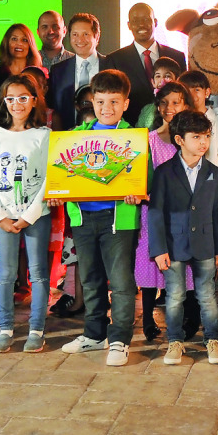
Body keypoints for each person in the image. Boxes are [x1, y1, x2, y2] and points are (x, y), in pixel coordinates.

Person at [59, 69, 144, 367]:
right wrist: (57, 192)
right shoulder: (76, 136)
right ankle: (94, 334)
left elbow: (144, 179)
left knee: (120, 281)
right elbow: (62, 174)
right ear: (92, 102)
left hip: (118, 219)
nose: (106, 108)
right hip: (83, 218)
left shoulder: (134, 138)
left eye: (114, 102)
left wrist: (139, 193)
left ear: (126, 104)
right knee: (90, 279)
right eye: (100, 102)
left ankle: (119, 339)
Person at [150, 110, 218, 365]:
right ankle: (175, 341)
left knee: (207, 296)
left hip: (205, 245)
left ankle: (213, 340)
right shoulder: (164, 172)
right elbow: (156, 212)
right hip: (173, 245)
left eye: (206, 136)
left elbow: (217, 213)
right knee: (174, 297)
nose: (203, 142)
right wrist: (158, 249)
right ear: (179, 140)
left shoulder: (213, 172)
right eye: (196, 137)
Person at [0, 75, 52, 354]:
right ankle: (5, 329)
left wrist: (30, 215)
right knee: (5, 274)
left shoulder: (44, 135)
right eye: (10, 99)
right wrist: (0, 216)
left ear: (34, 100)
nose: (17, 104)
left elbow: (48, 178)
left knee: (38, 272)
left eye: (23, 98)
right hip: (4, 217)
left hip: (36, 215)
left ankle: (36, 329)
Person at [136, 83, 199, 343]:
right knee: (150, 262)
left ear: (186, 105)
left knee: (186, 263)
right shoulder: (148, 140)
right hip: (153, 211)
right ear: (157, 106)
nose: (169, 108)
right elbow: (140, 176)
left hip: (184, 214)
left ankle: (190, 317)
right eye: (164, 102)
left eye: (176, 102)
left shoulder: (191, 139)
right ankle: (148, 319)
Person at [103, 3, 187, 125]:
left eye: (146, 19)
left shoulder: (177, 56)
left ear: (155, 22)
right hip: (131, 128)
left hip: (173, 127)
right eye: (135, 21)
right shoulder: (115, 59)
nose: (141, 24)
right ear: (129, 25)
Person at [179, 70, 218, 185]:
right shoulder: (178, 122)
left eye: (197, 89)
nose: (192, 94)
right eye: (187, 90)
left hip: (209, 188)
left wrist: (214, 191)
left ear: (207, 92)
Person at [48, 13, 104, 130]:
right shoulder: (58, 71)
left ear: (97, 36)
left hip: (107, 136)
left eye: (85, 34)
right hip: (68, 136)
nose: (80, 39)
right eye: (75, 34)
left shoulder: (112, 65)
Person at [0, 23, 44, 98]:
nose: (19, 43)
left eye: (24, 40)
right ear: (6, 43)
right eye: (14, 39)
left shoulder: (38, 75)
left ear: (30, 45)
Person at [136, 56, 185, 130]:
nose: (162, 80)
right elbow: (139, 133)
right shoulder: (147, 110)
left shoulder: (182, 106)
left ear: (177, 80)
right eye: (158, 76)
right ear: (153, 82)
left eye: (167, 76)